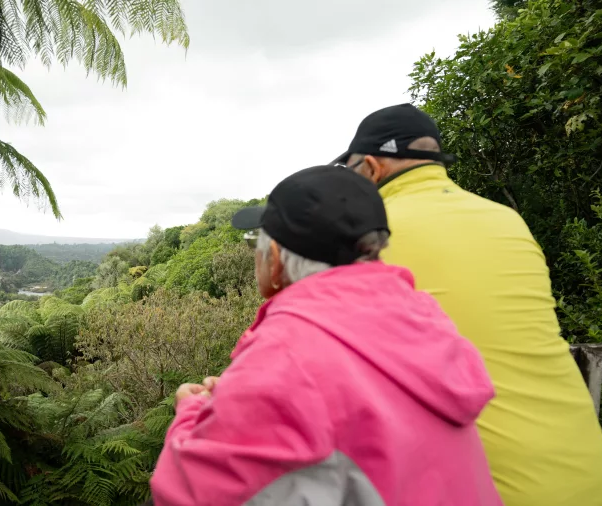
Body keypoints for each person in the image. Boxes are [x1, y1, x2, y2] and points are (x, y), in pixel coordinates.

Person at [148, 165, 502, 506]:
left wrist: (193, 411)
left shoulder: (288, 356)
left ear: (274, 258)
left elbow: (190, 494)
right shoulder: (422, 319)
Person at [335, 103, 602, 506]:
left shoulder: (364, 237)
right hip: (584, 469)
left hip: (481, 486)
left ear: (372, 168)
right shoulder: (508, 220)